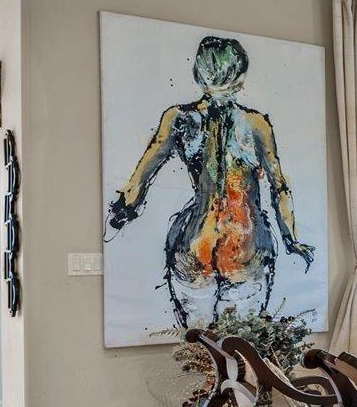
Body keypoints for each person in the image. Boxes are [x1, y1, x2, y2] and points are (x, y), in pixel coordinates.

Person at [109, 35, 315, 327]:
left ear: (198, 75)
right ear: (240, 77)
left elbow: (140, 177)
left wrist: (122, 212)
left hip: (194, 246)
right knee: (243, 346)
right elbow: (279, 187)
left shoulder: (177, 117)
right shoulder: (256, 124)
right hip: (246, 249)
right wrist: (291, 240)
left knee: (200, 346)